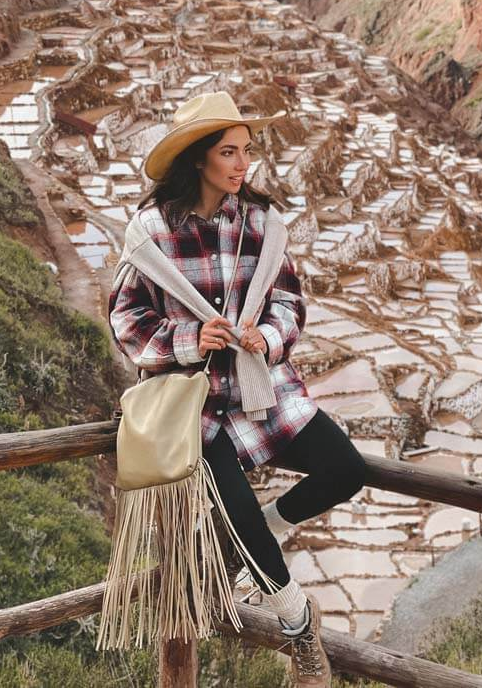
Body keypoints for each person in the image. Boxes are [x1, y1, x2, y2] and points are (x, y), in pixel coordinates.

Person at [107, 91, 366, 687]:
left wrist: (267, 336)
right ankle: (303, 633)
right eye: (229, 151)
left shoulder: (260, 223)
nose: (243, 163)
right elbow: (126, 319)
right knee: (240, 518)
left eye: (248, 150)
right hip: (195, 407)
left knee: (344, 469)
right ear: (198, 158)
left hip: (262, 390)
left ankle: (264, 532)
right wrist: (190, 337)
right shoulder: (151, 232)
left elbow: (290, 300)